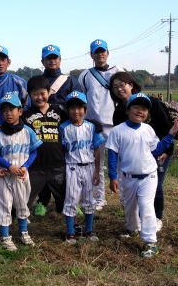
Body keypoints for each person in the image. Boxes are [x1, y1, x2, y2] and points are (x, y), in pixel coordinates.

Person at [106, 93, 178, 258]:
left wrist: (169, 137)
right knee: (129, 207)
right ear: (128, 110)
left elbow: (156, 150)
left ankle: (150, 242)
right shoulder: (117, 131)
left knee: (146, 207)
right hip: (127, 176)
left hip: (148, 176)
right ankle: (132, 229)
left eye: (144, 109)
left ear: (148, 113)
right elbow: (112, 155)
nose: (140, 111)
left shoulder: (148, 129)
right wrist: (113, 177)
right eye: (136, 107)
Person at [109, 71, 175, 231]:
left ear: (131, 85)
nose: (119, 89)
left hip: (159, 151)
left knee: (156, 185)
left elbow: (167, 127)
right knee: (133, 191)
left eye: (122, 85)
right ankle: (136, 222)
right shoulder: (119, 111)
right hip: (136, 157)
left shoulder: (151, 102)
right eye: (115, 87)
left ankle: (157, 218)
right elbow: (120, 137)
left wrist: (167, 150)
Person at [0, 93, 43, 251]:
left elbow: (34, 151)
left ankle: (24, 232)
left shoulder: (28, 131)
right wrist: (8, 165)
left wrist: (26, 166)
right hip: (5, 175)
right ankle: (5, 236)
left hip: (21, 174)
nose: (8, 113)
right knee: (4, 205)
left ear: (20, 111)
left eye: (11, 109)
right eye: (4, 110)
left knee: (22, 204)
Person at [31, 45, 81, 211]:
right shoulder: (37, 81)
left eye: (55, 57)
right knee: (43, 159)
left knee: (63, 163)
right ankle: (43, 200)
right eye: (48, 58)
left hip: (65, 126)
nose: (52, 61)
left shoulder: (71, 81)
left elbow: (78, 104)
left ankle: (66, 200)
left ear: (60, 59)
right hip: (42, 125)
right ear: (42, 61)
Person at [77, 39, 123, 211]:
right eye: (96, 52)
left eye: (103, 51)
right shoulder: (85, 75)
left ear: (108, 53)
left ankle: (125, 197)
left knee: (120, 164)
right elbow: (81, 99)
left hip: (116, 126)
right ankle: (99, 197)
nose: (100, 54)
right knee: (97, 164)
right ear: (91, 55)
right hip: (94, 127)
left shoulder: (118, 71)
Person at [59, 91, 105, 244]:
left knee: (89, 199)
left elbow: (97, 150)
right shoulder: (63, 128)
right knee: (71, 199)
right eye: (72, 108)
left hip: (90, 166)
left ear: (85, 110)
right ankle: (71, 232)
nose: (76, 111)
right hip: (72, 167)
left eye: (79, 107)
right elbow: (62, 150)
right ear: (68, 110)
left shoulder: (91, 127)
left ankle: (89, 230)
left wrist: (98, 171)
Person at [22, 75, 68, 217]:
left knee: (63, 196)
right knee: (27, 196)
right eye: (35, 94)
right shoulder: (26, 115)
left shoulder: (59, 111)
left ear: (49, 92)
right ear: (29, 95)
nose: (39, 97)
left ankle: (66, 208)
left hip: (57, 162)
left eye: (43, 93)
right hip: (36, 165)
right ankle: (24, 212)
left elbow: (73, 122)